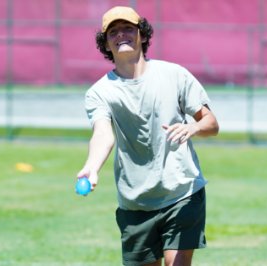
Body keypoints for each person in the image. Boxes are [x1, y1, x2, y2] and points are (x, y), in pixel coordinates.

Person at [77, 6, 219, 266]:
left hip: (182, 191)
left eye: (128, 29)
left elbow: (211, 123)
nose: (121, 35)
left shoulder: (174, 74)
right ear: (106, 43)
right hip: (136, 201)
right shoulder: (99, 92)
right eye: (113, 32)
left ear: (141, 35)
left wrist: (193, 128)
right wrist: (92, 166)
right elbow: (102, 133)